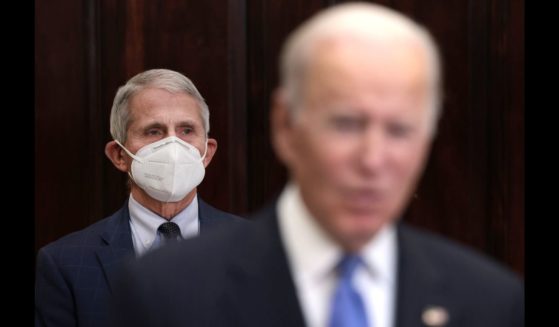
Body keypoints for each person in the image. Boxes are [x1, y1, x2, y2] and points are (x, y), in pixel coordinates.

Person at [111, 4, 524, 327]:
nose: (373, 159)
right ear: (286, 126)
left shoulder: (490, 301)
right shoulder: (162, 290)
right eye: (345, 124)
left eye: (400, 130)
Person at [35, 68, 245, 327]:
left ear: (208, 152)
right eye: (154, 131)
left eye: (186, 130)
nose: (173, 146)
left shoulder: (260, 250)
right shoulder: (64, 265)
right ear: (119, 155)